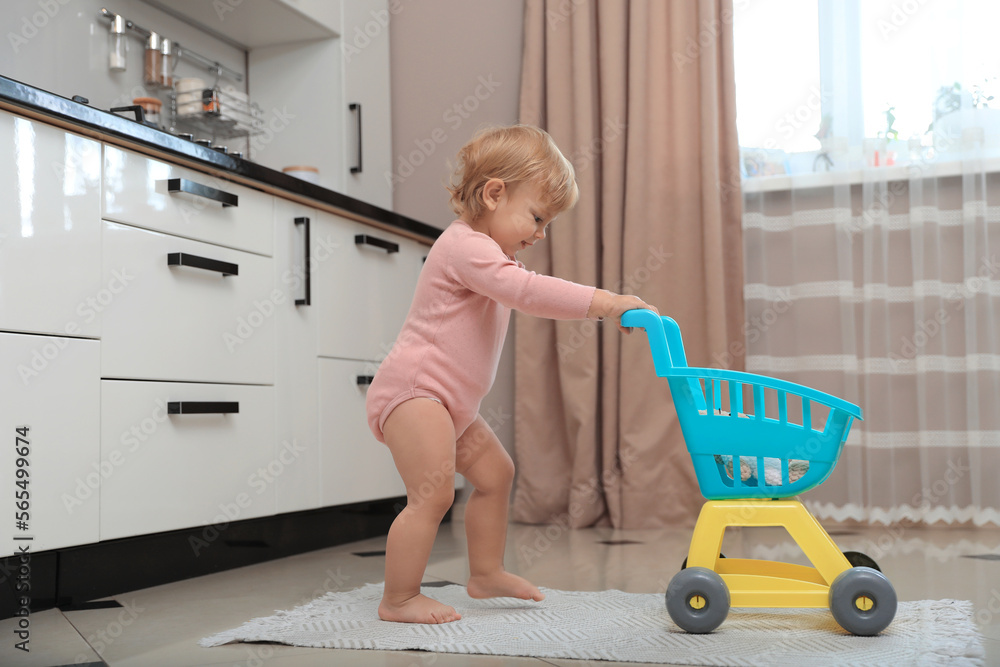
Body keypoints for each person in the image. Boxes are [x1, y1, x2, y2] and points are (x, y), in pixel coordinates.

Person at [365, 124, 657, 624]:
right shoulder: (466, 247)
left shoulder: (491, 254)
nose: (540, 234)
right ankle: (399, 598)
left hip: (449, 404)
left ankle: (484, 573)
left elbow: (524, 285)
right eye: (538, 217)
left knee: (495, 475)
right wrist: (605, 304)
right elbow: (526, 291)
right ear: (494, 193)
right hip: (415, 393)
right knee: (431, 495)